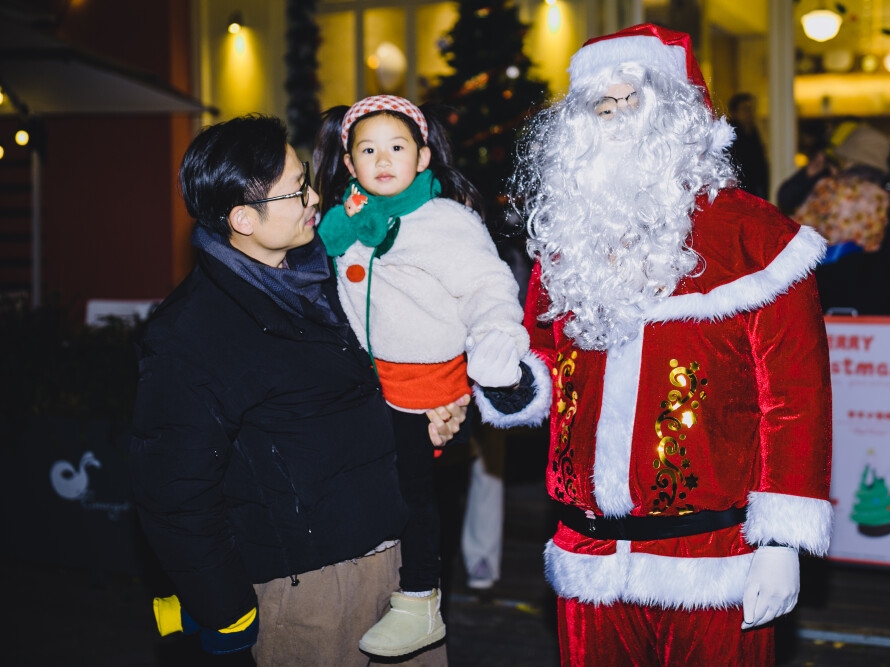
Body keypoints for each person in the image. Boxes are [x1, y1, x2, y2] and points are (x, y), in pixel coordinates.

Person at [474, 24, 834, 665]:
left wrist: (781, 542)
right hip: (588, 557)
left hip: (714, 558)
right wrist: (512, 383)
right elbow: (549, 363)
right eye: (599, 108)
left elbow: (796, 399)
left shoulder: (755, 238)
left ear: (675, 113)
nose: (613, 121)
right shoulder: (568, 244)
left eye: (629, 102)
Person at [129, 114, 464, 666]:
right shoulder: (190, 333)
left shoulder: (341, 273)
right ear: (242, 218)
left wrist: (434, 414)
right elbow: (174, 493)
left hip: (400, 566)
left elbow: (398, 371)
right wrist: (228, 614)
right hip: (308, 591)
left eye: (305, 177)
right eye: (296, 190)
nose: (314, 195)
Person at [312, 95, 529, 658]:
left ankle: (420, 600)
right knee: (380, 491)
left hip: (424, 383)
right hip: (370, 382)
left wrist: (497, 337)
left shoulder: (443, 221)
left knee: (414, 494)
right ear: (350, 161)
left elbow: (487, 285)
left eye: (398, 147)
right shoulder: (346, 221)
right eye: (368, 149)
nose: (383, 159)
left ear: (423, 156)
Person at [791, 124, 890, 315]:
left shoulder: (826, 189)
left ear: (849, 161)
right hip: (873, 299)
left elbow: (796, 230)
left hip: (826, 296)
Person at [727, 92, 770, 199]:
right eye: (744, 109)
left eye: (750, 109)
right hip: (739, 191)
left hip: (755, 189)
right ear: (734, 112)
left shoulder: (753, 132)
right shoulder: (730, 135)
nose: (749, 113)